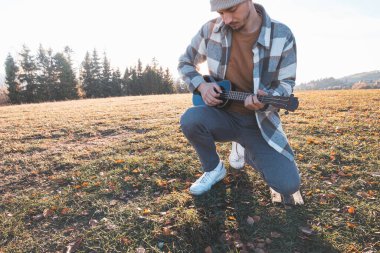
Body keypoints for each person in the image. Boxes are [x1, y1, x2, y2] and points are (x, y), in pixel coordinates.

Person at [178, 0, 300, 196]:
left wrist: (268, 99)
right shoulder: (210, 30)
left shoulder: (281, 35)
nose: (226, 19)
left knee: (288, 185)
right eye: (220, 12)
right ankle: (213, 169)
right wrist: (202, 85)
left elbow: (286, 84)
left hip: (258, 123)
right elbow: (185, 62)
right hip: (221, 116)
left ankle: (246, 149)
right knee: (190, 119)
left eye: (232, 10)